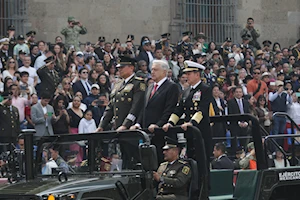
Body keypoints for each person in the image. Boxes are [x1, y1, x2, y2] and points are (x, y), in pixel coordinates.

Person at [162, 60, 212, 198]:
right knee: (191, 163)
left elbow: (202, 110)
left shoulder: (205, 89)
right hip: (190, 135)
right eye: (185, 74)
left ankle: (204, 192)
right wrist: (170, 123)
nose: (186, 76)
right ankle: (193, 191)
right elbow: (179, 110)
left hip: (201, 133)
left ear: (197, 74)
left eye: (189, 74)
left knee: (202, 164)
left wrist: (191, 122)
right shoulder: (185, 91)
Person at [131, 60, 180, 162]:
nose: (152, 72)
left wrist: (158, 124)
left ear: (164, 72)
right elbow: (144, 108)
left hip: (161, 133)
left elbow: (169, 109)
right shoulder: (150, 87)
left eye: (155, 70)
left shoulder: (171, 87)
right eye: (152, 69)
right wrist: (138, 124)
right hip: (147, 133)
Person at [97, 56, 146, 131]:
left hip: (130, 128)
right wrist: (101, 126)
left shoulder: (138, 83)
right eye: (119, 68)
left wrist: (126, 125)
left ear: (131, 68)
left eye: (122, 67)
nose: (119, 70)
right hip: (117, 126)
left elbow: (136, 107)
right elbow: (110, 106)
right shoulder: (118, 84)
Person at [269, 80, 292, 147]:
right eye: (279, 86)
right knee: (275, 132)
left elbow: (290, 102)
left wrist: (289, 95)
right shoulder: (272, 93)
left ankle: (280, 147)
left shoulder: (285, 95)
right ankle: (274, 148)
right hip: (276, 115)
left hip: (283, 115)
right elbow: (271, 99)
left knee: (281, 132)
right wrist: (278, 92)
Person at [228, 86, 250, 150]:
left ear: (242, 93)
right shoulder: (230, 102)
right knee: (234, 142)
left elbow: (247, 112)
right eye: (237, 92)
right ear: (234, 93)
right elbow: (231, 114)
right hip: (235, 124)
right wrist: (238, 122)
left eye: (240, 92)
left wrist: (246, 122)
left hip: (244, 124)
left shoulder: (246, 102)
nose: (238, 93)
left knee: (244, 142)